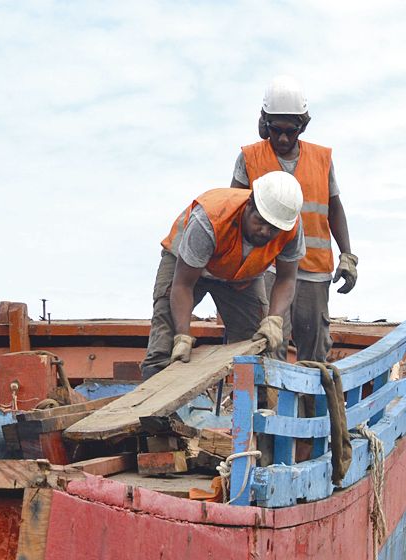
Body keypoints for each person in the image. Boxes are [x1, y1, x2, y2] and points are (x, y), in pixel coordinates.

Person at [232, 75, 357, 364]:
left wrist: (347, 255)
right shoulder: (250, 158)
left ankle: (313, 395)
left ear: (303, 125)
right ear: (264, 123)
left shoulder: (321, 159)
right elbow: (234, 209)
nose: (283, 139)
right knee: (269, 343)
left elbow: (334, 208)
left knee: (314, 351)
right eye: (276, 130)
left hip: (313, 268)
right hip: (266, 265)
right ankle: (269, 394)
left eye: (291, 131)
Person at [139, 172, 305, 378]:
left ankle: (259, 397)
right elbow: (182, 285)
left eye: (273, 228)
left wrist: (275, 319)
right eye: (260, 221)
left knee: (257, 344)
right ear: (249, 204)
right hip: (186, 267)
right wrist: (182, 335)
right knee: (165, 342)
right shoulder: (210, 220)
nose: (264, 231)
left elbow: (286, 278)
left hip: (241, 276)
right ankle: (156, 384)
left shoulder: (290, 226)